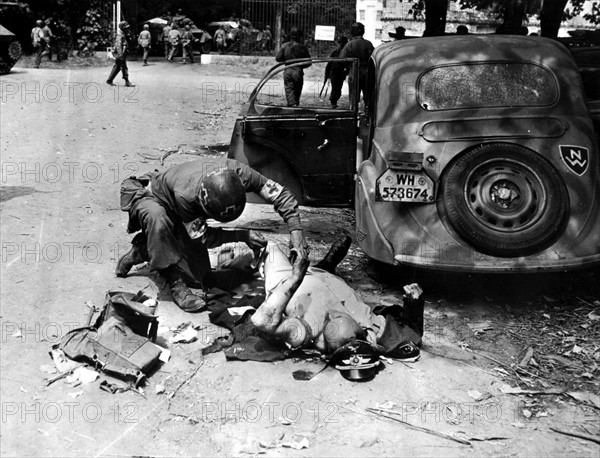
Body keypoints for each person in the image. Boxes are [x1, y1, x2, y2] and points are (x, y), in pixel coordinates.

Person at [116, 159, 309, 313]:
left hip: (182, 213)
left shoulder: (240, 173)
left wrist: (296, 231)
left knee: (199, 279)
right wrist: (243, 235)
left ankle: (144, 249)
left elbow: (280, 194)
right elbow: (203, 237)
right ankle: (173, 280)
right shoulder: (187, 194)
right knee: (158, 220)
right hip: (151, 198)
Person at [251, 239, 423, 358]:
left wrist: (295, 277)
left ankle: (325, 266)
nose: (332, 314)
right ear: (361, 335)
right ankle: (327, 266)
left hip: (289, 281)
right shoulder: (374, 335)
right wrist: (414, 304)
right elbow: (412, 332)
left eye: (329, 320)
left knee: (269, 247)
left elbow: (261, 320)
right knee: (330, 281)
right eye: (339, 316)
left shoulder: (304, 332)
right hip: (331, 283)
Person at [339, 22, 374, 107]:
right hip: (367, 74)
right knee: (368, 97)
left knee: (354, 98)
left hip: (354, 73)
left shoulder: (349, 45)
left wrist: (347, 67)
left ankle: (354, 113)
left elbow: (341, 60)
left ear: (352, 32)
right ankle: (368, 114)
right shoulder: (368, 44)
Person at [275, 27, 311, 107]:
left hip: (287, 71)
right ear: (300, 36)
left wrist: (287, 59)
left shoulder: (285, 46)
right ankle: (294, 106)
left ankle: (292, 106)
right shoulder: (302, 48)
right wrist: (300, 64)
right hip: (298, 72)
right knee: (297, 91)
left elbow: (278, 58)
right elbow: (309, 62)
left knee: (289, 90)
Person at [106, 21, 135, 87]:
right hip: (120, 54)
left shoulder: (124, 34)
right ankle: (127, 81)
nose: (127, 29)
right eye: (126, 28)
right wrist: (120, 55)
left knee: (117, 67)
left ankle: (109, 80)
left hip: (121, 54)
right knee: (124, 67)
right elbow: (118, 46)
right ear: (123, 28)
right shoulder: (120, 35)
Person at [325, 36, 348, 109]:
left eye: (343, 43)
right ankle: (333, 101)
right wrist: (327, 75)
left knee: (339, 89)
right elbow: (329, 64)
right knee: (335, 88)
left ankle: (334, 100)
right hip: (334, 73)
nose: (342, 45)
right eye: (341, 43)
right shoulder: (334, 52)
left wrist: (346, 72)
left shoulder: (346, 53)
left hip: (341, 73)